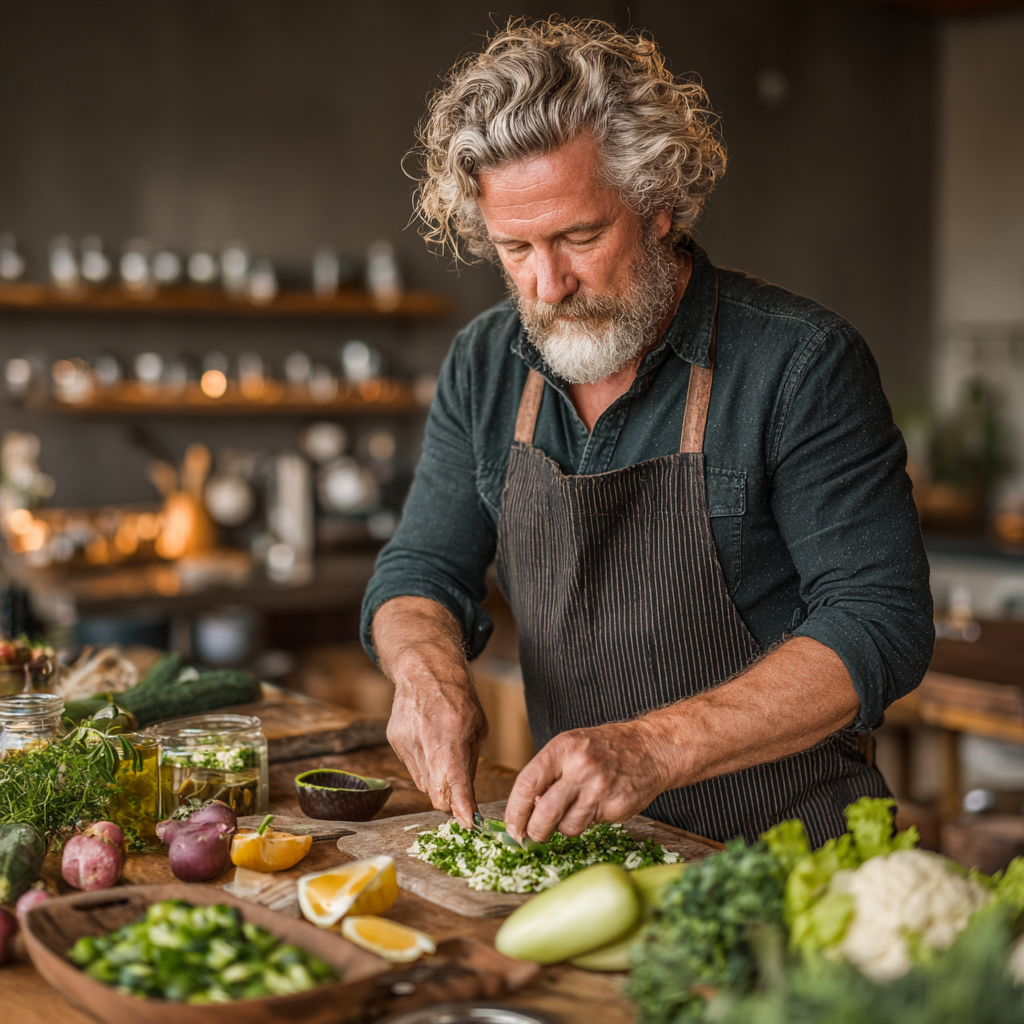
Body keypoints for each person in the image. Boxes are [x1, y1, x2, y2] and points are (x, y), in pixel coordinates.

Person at [360, 18, 933, 847]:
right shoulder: (486, 363)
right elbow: (419, 569)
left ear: (660, 204)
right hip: (594, 854)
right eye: (513, 248)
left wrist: (651, 747)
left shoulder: (801, 362)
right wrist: (424, 670)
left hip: (786, 855)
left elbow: (880, 618)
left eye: (579, 237)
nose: (547, 284)